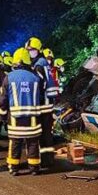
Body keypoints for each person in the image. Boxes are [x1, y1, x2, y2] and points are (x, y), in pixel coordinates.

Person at [0, 48, 43, 176]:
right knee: (33, 142)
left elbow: (3, 98)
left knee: (15, 142)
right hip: (33, 117)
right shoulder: (35, 77)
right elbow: (40, 96)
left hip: (14, 117)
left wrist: (2, 115)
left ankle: (14, 168)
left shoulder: (9, 77)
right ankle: (34, 168)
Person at [25, 37, 58, 168]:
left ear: (38, 49)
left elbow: (39, 84)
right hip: (47, 102)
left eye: (32, 49)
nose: (30, 52)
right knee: (46, 132)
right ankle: (47, 159)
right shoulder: (42, 61)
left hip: (43, 103)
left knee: (44, 132)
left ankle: (46, 160)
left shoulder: (39, 64)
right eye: (28, 50)